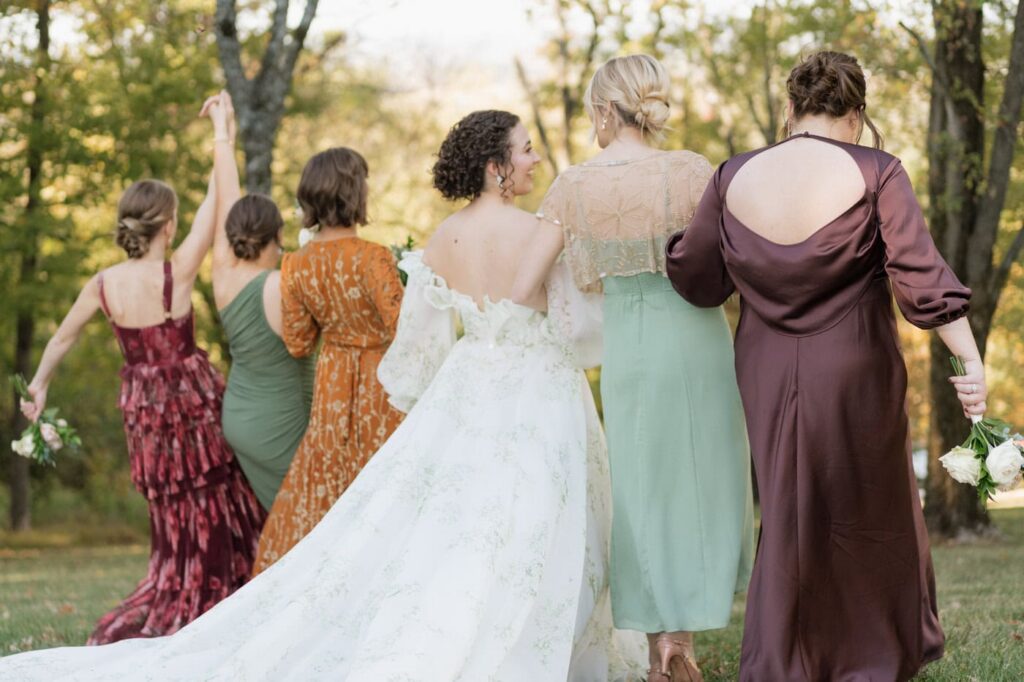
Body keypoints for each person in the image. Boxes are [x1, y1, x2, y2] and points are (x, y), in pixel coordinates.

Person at [0, 109, 645, 681]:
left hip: (461, 383)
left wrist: (436, 397)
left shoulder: (439, 240)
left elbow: (416, 342)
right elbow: (567, 320)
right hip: (529, 387)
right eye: (527, 148)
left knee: (456, 522)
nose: (536, 158)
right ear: (498, 166)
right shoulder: (533, 230)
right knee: (534, 515)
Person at [665, 51, 985, 681]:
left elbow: (698, 279)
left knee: (785, 503)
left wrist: (670, 243)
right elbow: (922, 279)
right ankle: (868, 657)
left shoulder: (733, 176)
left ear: (790, 109)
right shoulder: (877, 171)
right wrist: (970, 360)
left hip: (765, 365)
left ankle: (787, 657)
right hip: (856, 363)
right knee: (867, 506)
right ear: (858, 114)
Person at [512, 54, 754, 681]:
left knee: (642, 488)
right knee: (702, 478)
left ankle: (658, 651)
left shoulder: (573, 186)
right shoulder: (693, 170)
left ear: (601, 110)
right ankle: (684, 638)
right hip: (698, 336)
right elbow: (738, 259)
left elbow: (522, 287)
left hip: (631, 347)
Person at [18, 93, 265, 644]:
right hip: (193, 405)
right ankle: (225, 583)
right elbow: (217, 204)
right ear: (168, 225)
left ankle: (178, 584)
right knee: (219, 495)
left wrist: (38, 384)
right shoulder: (177, 270)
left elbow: (63, 337)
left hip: (148, 415)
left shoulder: (104, 283)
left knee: (171, 508)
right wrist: (221, 132)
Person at [249, 147, 406, 573]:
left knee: (329, 483)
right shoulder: (374, 257)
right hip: (381, 383)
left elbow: (298, 343)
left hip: (333, 387)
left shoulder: (296, 265)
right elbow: (403, 327)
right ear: (356, 192)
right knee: (382, 482)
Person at [211, 93, 314, 511]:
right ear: (278, 237)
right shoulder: (281, 284)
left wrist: (223, 135)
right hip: (279, 422)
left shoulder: (223, 271)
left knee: (287, 520)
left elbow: (227, 199)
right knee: (310, 524)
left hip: (239, 417)